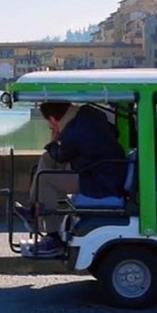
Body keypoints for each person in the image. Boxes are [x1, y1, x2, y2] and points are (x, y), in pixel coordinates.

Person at [14, 102, 126, 256]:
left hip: (98, 180)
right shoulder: (88, 113)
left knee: (46, 179)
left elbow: (61, 156)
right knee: (48, 158)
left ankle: (53, 237)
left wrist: (54, 139)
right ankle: (35, 212)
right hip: (104, 170)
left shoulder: (73, 130)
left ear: (53, 119)